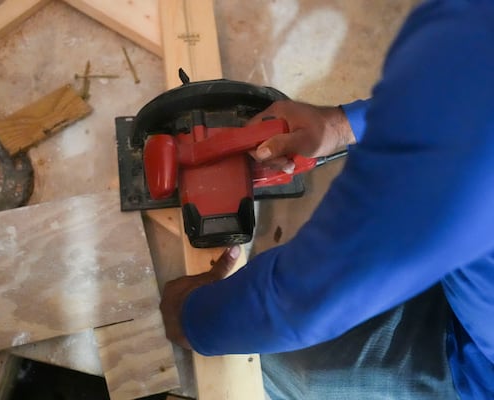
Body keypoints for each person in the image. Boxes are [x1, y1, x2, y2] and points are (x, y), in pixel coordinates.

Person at [160, 0, 494, 399]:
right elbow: (458, 92)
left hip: (476, 366)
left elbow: (306, 299)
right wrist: (342, 124)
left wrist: (192, 317)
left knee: (275, 364)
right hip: (471, 273)